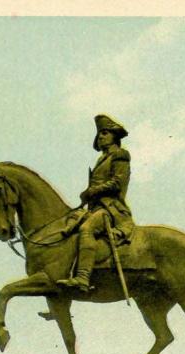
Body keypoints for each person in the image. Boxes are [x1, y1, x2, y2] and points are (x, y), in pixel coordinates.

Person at [57, 114, 134, 291]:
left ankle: (83, 278)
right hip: (96, 208)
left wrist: (92, 191)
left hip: (112, 209)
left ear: (115, 136)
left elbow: (117, 183)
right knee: (68, 227)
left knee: (87, 229)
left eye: (105, 133)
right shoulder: (101, 159)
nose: (100, 137)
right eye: (100, 134)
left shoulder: (120, 155)